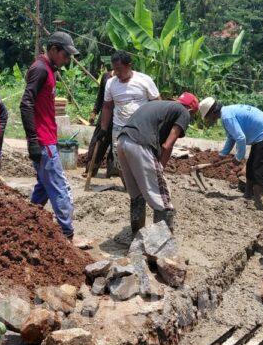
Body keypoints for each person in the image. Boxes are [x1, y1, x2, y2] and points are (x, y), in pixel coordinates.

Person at [20, 32, 79, 241]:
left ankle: (26, 222)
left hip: (47, 138)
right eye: (65, 55)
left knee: (45, 186)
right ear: (53, 49)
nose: (67, 60)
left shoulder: (49, 69)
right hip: (43, 141)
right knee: (58, 185)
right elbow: (26, 103)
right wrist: (34, 141)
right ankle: (66, 233)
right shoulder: (40, 70)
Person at [117, 93, 199, 234]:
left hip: (122, 142)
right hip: (140, 145)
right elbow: (168, 145)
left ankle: (137, 238)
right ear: (191, 110)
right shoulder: (184, 112)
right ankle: (161, 247)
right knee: (162, 200)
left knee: (137, 195)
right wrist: (160, 167)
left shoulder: (157, 105)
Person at [198, 98, 263, 204]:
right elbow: (231, 137)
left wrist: (239, 157)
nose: (210, 119)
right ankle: (248, 194)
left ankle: (260, 202)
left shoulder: (227, 116)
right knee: (250, 166)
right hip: (260, 137)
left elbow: (240, 138)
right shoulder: (227, 113)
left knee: (259, 168)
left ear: (213, 112)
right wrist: (222, 155)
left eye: (208, 117)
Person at [100, 51, 160, 167]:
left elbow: (157, 103)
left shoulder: (144, 80)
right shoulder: (111, 83)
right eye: (114, 69)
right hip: (119, 127)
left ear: (129, 65)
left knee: (141, 161)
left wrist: (156, 127)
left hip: (141, 128)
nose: (116, 73)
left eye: (119, 69)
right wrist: (103, 128)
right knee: (121, 162)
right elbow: (107, 107)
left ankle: (139, 185)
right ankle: (127, 185)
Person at [82, 67, 114, 178]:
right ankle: (91, 169)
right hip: (105, 116)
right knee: (97, 141)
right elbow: (100, 96)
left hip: (120, 117)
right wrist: (94, 112)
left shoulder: (127, 80)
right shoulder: (106, 77)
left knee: (115, 146)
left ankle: (112, 171)